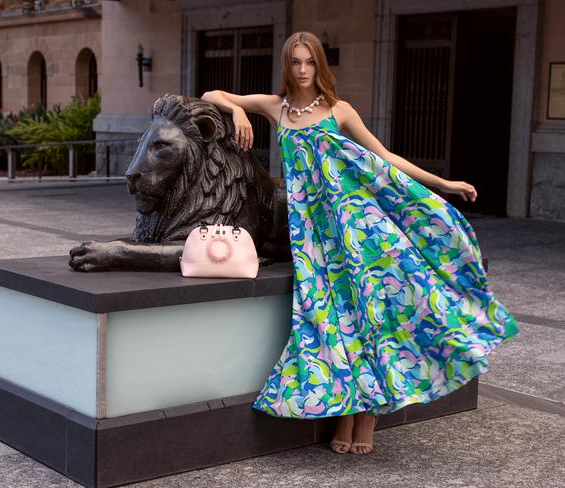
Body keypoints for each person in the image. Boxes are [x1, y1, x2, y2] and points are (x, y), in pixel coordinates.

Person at [201, 31, 519, 456]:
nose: (302, 69)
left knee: (370, 311)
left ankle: (365, 418)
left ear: (320, 65)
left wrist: (443, 183)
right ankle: (346, 412)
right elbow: (211, 92)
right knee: (330, 319)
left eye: (309, 61)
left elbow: (386, 158)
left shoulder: (339, 110)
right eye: (295, 61)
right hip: (314, 236)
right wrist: (238, 111)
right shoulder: (277, 108)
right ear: (287, 65)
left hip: (358, 227)